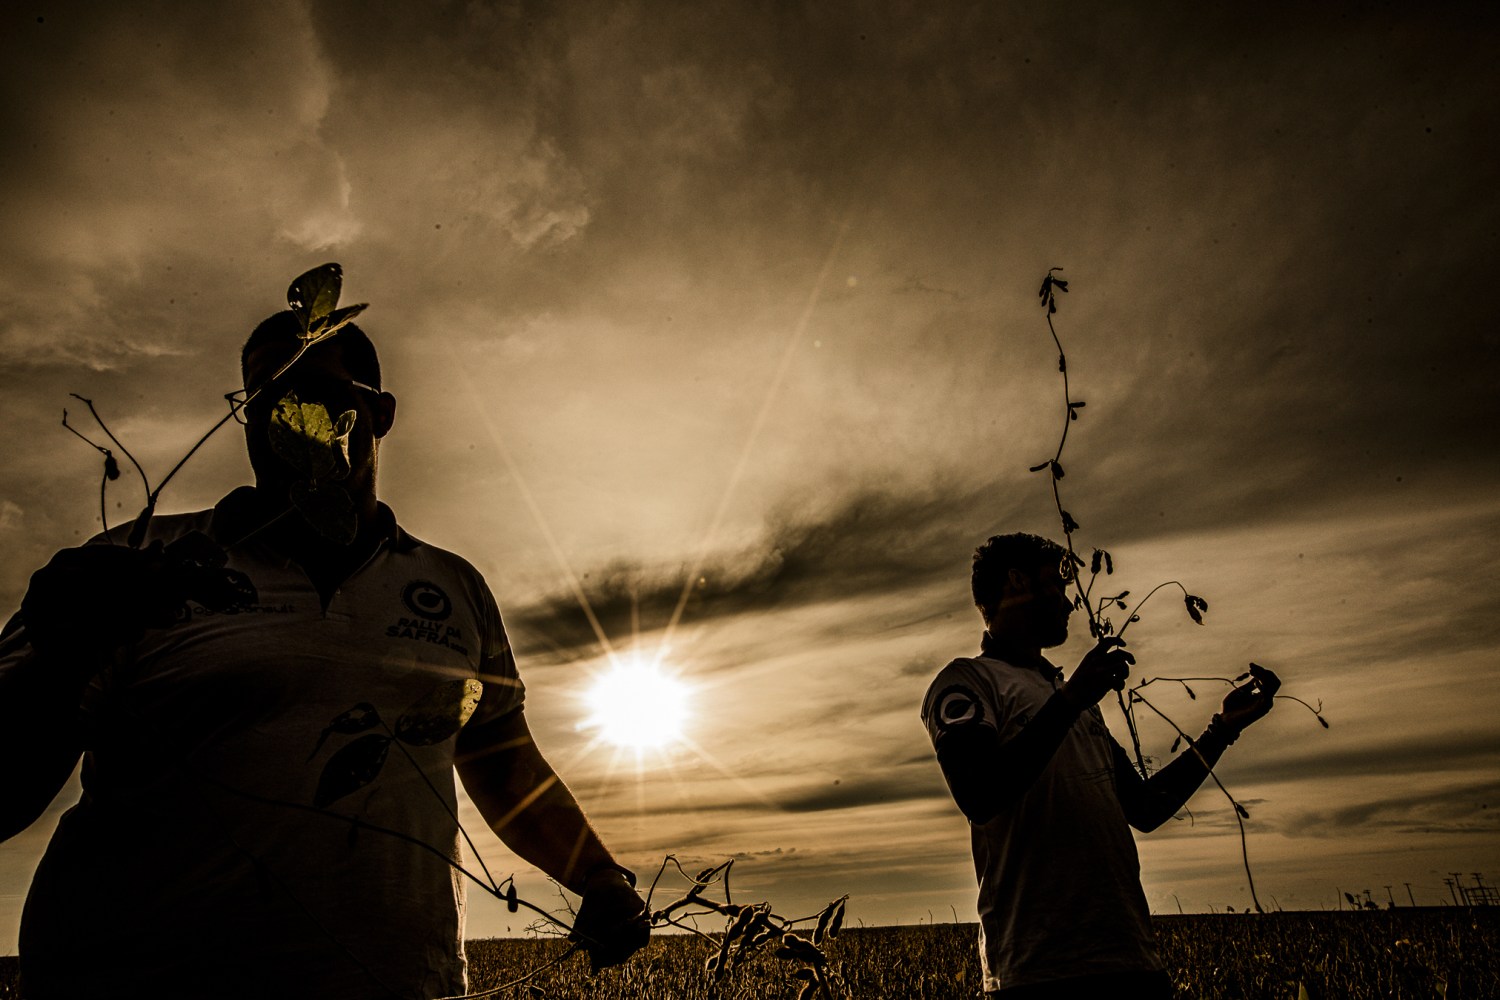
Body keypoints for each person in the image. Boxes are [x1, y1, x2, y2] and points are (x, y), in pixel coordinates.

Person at [0, 310, 650, 998]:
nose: (292, 414)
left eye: (318, 388)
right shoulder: (131, 567)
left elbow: (504, 762)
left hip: (396, 982)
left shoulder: (452, 586)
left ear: (381, 412)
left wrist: (600, 877)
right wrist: (62, 660)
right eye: (265, 397)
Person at [920, 532, 1279, 998]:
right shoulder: (967, 681)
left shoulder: (1072, 699)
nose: (1070, 603)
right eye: (1057, 585)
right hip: (1038, 973)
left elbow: (1146, 808)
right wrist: (1071, 700)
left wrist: (1222, 730)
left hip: (1132, 961)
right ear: (1016, 582)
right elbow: (979, 793)